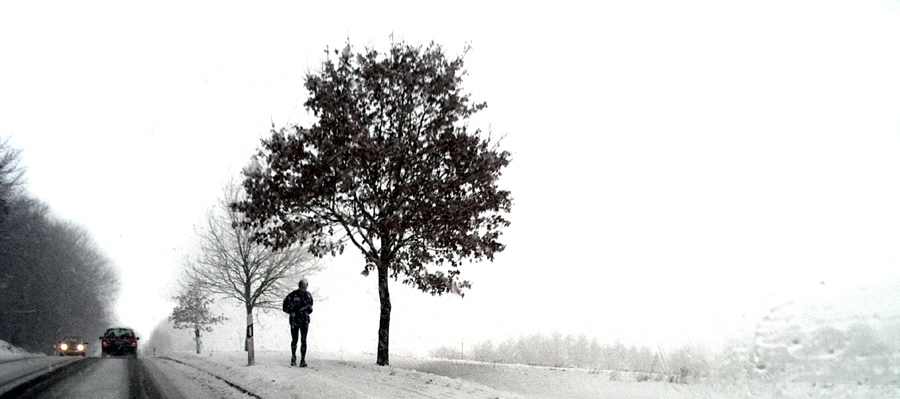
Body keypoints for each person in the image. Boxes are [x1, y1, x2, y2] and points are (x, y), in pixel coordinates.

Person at [283, 278, 313, 367]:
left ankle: (303, 359)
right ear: (300, 286)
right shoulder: (292, 295)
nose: (305, 288)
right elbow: (285, 306)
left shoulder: (308, 296)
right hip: (295, 320)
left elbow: (310, 307)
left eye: (306, 287)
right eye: (303, 287)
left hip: (304, 321)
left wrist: (308, 311)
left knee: (304, 340)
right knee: (294, 340)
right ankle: (293, 358)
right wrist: (291, 312)